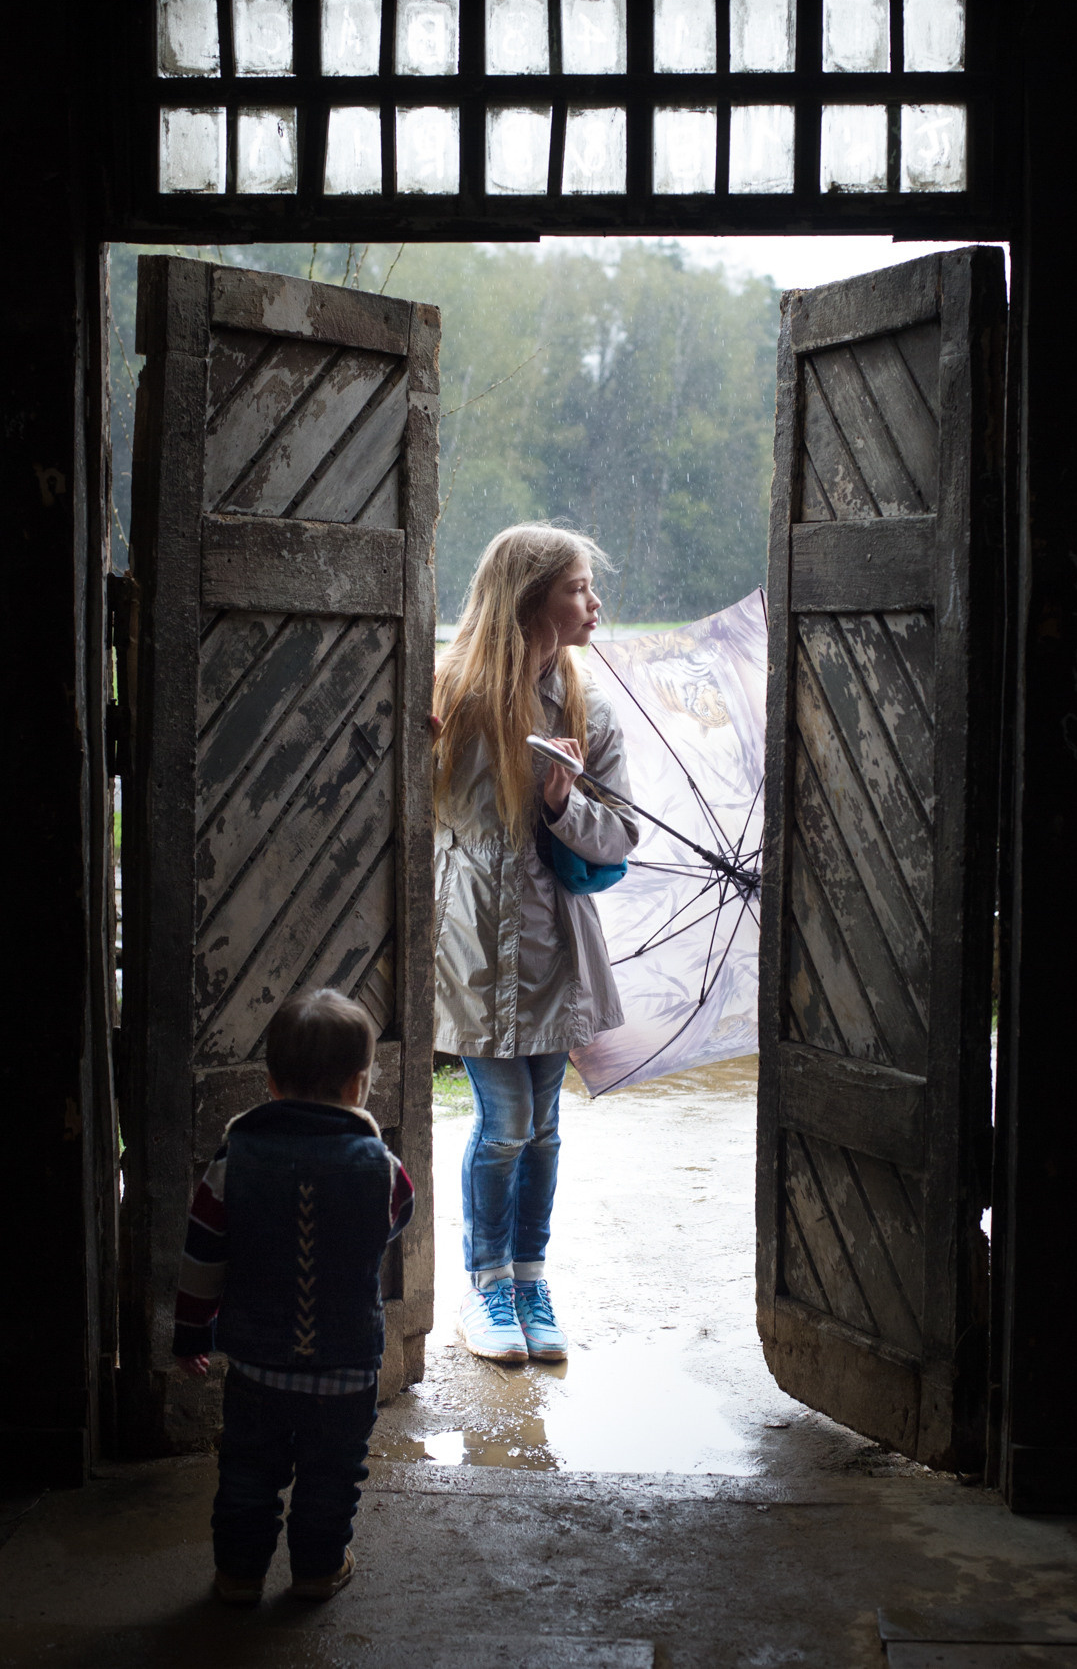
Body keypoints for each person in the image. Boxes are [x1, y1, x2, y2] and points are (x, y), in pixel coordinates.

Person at [432, 523, 640, 1365]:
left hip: (554, 944)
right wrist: (419, 740)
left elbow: (620, 834)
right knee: (507, 1123)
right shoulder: (448, 692)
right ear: (529, 597)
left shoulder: (591, 708)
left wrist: (563, 804)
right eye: (578, 587)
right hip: (473, 942)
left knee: (546, 1127)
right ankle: (485, 1290)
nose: (594, 603)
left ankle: (530, 1279)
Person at [172, 989, 415, 1606]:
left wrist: (192, 1333)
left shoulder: (233, 1162)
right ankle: (316, 1571)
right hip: (346, 1363)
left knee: (248, 1471)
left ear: (271, 1084)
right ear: (360, 1085)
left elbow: (203, 1257)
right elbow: (393, 1221)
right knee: (332, 1476)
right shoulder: (382, 1168)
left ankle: (238, 1575)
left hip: (257, 1364)